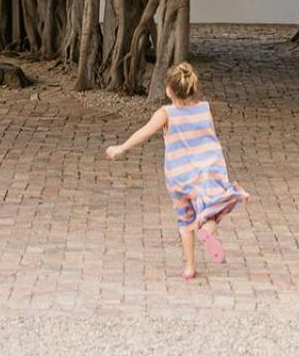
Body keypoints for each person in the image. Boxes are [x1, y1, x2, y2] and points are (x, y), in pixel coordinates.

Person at [105, 61, 248, 280]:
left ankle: (190, 268)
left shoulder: (166, 113)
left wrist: (121, 148)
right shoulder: (205, 109)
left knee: (185, 221)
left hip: (178, 177)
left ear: (169, 90)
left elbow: (145, 131)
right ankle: (207, 231)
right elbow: (210, 138)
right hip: (205, 173)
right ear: (192, 87)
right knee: (214, 209)